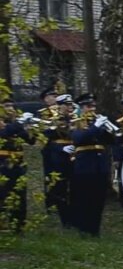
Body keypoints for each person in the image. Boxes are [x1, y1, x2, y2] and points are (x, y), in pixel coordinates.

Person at [69, 95, 116, 236]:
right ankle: (84, 228)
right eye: (89, 106)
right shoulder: (76, 121)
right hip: (84, 165)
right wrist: (95, 126)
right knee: (85, 198)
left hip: (100, 165)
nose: (92, 109)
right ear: (81, 108)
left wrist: (108, 128)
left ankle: (95, 228)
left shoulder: (97, 123)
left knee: (98, 198)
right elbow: (79, 138)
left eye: (94, 106)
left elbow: (111, 140)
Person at [40, 95, 75, 228]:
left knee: (74, 187)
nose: (70, 107)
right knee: (60, 187)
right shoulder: (50, 119)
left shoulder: (73, 118)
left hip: (73, 154)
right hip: (57, 158)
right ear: (59, 105)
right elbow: (45, 141)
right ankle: (65, 218)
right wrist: (61, 148)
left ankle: (74, 216)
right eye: (67, 105)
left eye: (71, 105)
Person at [0, 101, 34, 231]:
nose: (10, 109)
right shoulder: (8, 125)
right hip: (2, 161)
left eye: (11, 106)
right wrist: (19, 123)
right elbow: (4, 134)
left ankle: (19, 225)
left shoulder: (15, 124)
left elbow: (31, 141)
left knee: (19, 193)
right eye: (6, 106)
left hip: (18, 162)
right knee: (3, 192)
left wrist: (29, 128)